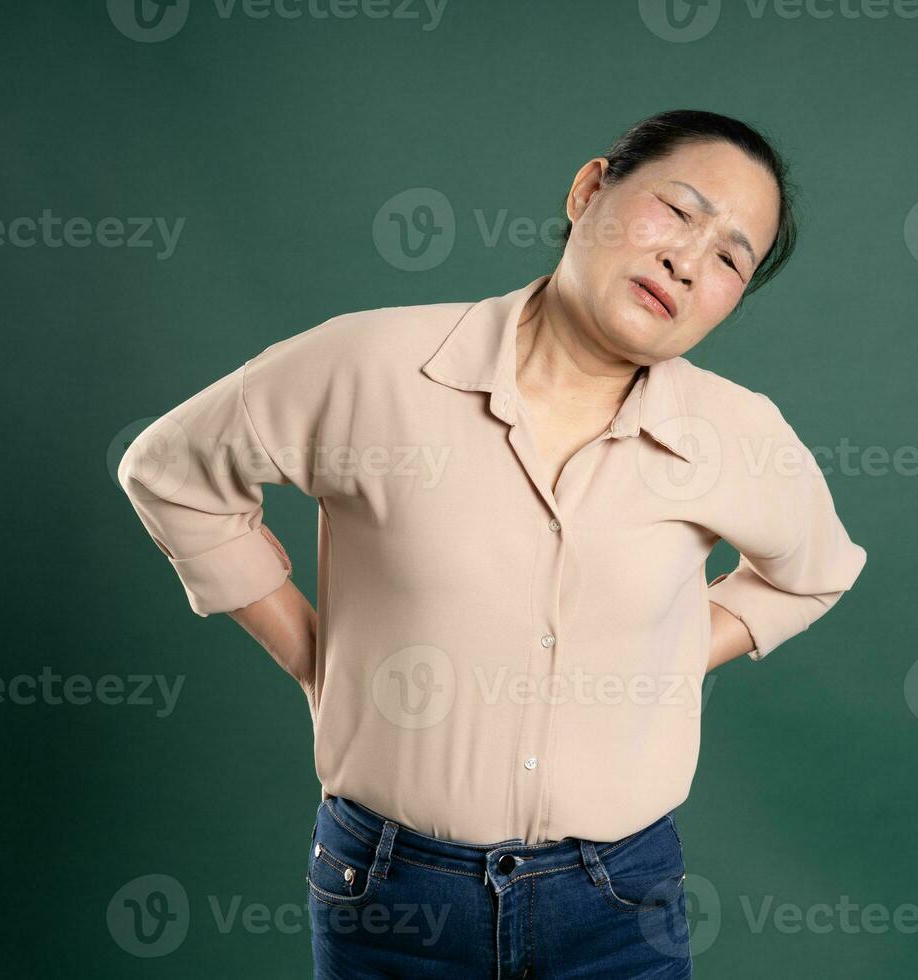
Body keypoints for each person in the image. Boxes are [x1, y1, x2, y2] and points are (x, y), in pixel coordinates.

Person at [118, 108, 868, 978]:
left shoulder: (735, 433)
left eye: (732, 256)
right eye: (679, 211)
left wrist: (673, 653)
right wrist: (315, 659)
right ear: (593, 190)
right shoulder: (368, 365)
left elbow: (815, 575)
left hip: (621, 903)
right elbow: (170, 473)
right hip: (392, 893)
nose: (688, 260)